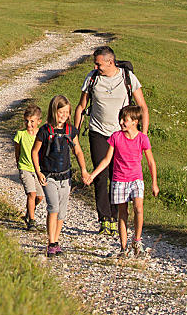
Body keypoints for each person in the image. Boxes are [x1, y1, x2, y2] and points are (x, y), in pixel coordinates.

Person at [74, 45, 149, 235]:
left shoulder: (127, 78)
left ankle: (115, 218)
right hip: (98, 132)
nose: (96, 66)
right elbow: (81, 106)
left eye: (99, 64)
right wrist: (74, 132)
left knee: (118, 178)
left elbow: (143, 107)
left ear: (110, 62)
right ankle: (104, 218)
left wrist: (142, 135)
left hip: (121, 135)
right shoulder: (92, 78)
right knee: (101, 176)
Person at [83, 105, 159, 258]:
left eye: (125, 120)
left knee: (139, 208)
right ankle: (124, 248)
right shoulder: (116, 137)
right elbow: (106, 160)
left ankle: (137, 240)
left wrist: (154, 183)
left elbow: (151, 162)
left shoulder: (142, 139)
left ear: (135, 121)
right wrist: (93, 175)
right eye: (121, 119)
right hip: (119, 180)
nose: (122, 123)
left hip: (136, 179)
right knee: (122, 213)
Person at [31, 95, 89, 258]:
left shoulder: (71, 131)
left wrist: (83, 169)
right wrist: (38, 172)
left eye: (66, 112)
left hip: (65, 176)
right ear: (53, 111)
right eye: (60, 112)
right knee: (53, 207)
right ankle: (51, 243)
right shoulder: (44, 131)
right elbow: (34, 152)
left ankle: (56, 241)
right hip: (49, 176)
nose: (63, 115)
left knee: (62, 211)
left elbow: (77, 150)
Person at [13, 103, 44, 230]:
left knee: (39, 197)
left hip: (37, 169)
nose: (29, 124)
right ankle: (32, 220)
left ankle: (28, 211)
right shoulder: (20, 134)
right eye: (26, 121)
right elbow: (17, 150)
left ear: (38, 121)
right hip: (25, 168)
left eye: (32, 121)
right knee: (31, 194)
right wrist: (19, 165)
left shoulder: (41, 135)